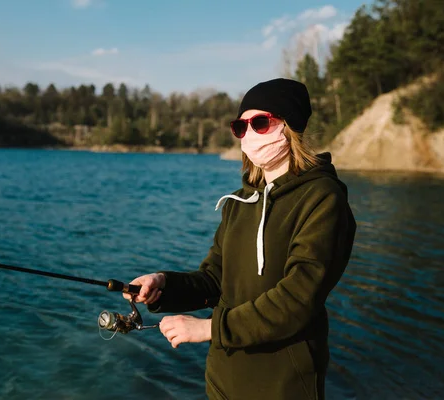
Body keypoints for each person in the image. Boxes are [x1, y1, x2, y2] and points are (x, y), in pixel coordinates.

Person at [124, 78, 357, 400]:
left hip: (283, 382)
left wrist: (208, 329)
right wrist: (163, 285)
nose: (248, 135)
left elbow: (300, 296)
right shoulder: (239, 203)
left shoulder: (322, 199)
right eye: (240, 126)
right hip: (223, 376)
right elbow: (214, 279)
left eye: (260, 123)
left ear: (289, 127)